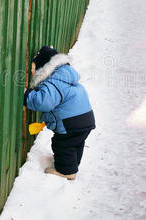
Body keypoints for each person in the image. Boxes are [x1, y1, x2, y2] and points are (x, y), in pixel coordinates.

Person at [24, 46, 95, 180]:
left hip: (70, 123)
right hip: (85, 118)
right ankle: (72, 164)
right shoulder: (66, 77)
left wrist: (27, 96)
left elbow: (44, 102)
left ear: (43, 68)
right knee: (76, 143)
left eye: (33, 70)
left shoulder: (54, 82)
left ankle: (66, 171)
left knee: (62, 144)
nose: (32, 74)